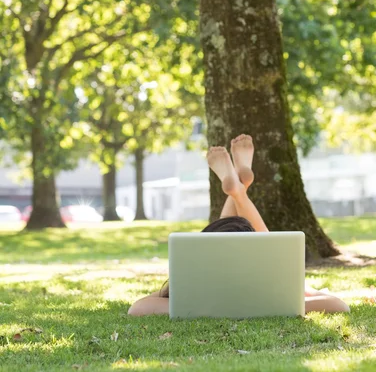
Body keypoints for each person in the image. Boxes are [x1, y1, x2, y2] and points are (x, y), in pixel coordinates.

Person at [128, 135, 350, 316]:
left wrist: (171, 294)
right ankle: (239, 190)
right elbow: (339, 305)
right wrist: (302, 294)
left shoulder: (196, 297)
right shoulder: (271, 298)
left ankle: (239, 187)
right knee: (257, 247)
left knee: (224, 238)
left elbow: (137, 308)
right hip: (262, 293)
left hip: (208, 292)